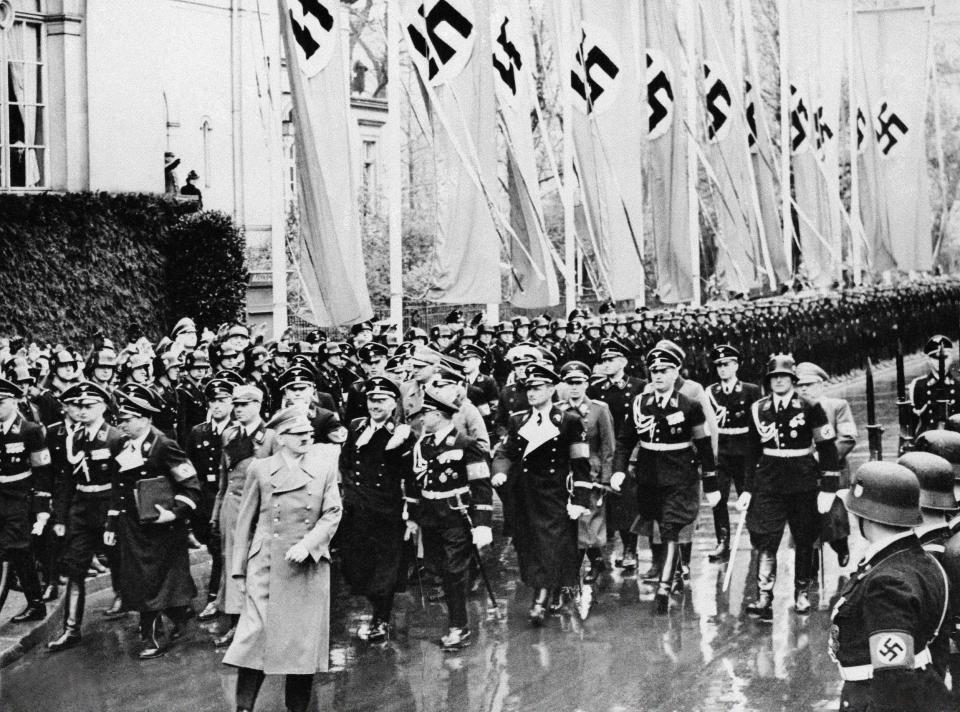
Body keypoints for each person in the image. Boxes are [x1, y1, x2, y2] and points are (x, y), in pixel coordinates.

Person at [223, 406, 343, 712]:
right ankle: (243, 707)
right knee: (254, 639)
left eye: (308, 433)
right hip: (265, 566)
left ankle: (297, 709)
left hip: (307, 567)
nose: (306, 438)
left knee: (300, 645)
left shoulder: (324, 467)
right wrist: (238, 573)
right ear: (282, 436)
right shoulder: (260, 469)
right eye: (298, 433)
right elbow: (244, 522)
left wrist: (309, 544)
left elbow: (332, 513)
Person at [830, 461, 952, 712]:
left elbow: (893, 681)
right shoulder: (922, 560)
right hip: (925, 690)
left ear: (867, 516)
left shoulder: (887, 582)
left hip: (874, 699)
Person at [610, 346, 719, 614]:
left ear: (675, 373)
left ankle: (664, 585)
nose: (658, 375)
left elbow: (704, 445)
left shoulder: (689, 405)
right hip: (648, 477)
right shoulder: (640, 403)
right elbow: (625, 441)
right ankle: (671, 572)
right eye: (654, 371)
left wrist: (712, 483)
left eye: (664, 371)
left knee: (670, 528)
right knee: (656, 524)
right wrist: (619, 468)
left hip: (680, 476)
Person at [739, 354, 840, 621]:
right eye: (774, 377)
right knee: (765, 538)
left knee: (804, 538)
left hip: (803, 482)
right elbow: (750, 452)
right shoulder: (758, 409)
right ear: (768, 381)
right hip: (769, 482)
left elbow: (827, 448)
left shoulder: (810, 407)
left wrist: (829, 487)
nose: (779, 380)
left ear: (793, 380)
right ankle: (763, 596)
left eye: (784, 376)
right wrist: (747, 489)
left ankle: (802, 593)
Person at [106, 384, 201, 659]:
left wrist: (174, 512)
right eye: (120, 419)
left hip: (162, 527)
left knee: (154, 582)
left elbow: (190, 485)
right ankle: (179, 614)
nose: (122, 424)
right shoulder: (120, 445)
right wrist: (112, 523)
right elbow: (118, 488)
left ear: (145, 419)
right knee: (141, 581)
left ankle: (152, 637)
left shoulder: (164, 446)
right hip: (133, 527)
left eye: (127, 419)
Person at [492, 363, 592, 624]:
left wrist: (580, 501)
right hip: (525, 495)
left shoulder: (569, 421)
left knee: (550, 545)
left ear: (550, 389)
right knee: (529, 546)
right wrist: (500, 470)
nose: (532, 393)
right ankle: (549, 589)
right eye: (529, 388)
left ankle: (541, 600)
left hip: (554, 494)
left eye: (537, 388)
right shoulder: (518, 420)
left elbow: (581, 464)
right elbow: (506, 451)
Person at [408, 388, 492, 649]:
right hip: (431, 518)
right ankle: (456, 619)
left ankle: (459, 627)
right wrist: (412, 516)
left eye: (426, 414)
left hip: (457, 516)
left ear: (438, 415)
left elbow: (481, 485)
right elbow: (415, 482)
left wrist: (483, 524)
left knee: (455, 571)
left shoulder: (466, 445)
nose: (422, 419)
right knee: (439, 570)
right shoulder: (424, 444)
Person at [338, 376, 417, 642]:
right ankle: (377, 606)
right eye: (372, 399)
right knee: (356, 567)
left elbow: (410, 474)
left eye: (382, 400)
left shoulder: (402, 433)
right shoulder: (357, 426)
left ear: (394, 403)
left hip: (387, 509)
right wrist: (349, 492)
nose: (375, 405)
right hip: (356, 509)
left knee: (385, 567)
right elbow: (346, 462)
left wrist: (409, 510)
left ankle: (381, 618)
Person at [47, 381, 123, 652]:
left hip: (107, 507)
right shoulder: (75, 438)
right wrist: (60, 517)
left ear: (102, 407)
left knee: (121, 558)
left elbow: (122, 481)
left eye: (88, 406)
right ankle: (71, 629)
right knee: (75, 567)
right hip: (81, 508)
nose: (81, 411)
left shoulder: (115, 437)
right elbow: (66, 480)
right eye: (78, 406)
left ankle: (137, 608)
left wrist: (115, 516)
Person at [210, 384, 278, 647]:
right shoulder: (229, 435)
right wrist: (216, 514)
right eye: (236, 405)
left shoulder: (271, 437)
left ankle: (261, 623)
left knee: (258, 566)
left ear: (258, 405)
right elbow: (223, 481)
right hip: (232, 508)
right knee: (232, 566)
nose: (238, 410)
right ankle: (237, 625)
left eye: (245, 404)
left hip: (259, 511)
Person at [588, 338, 645, 571]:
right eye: (604, 360)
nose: (606, 364)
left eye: (611, 360)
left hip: (629, 452)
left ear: (623, 361)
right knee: (603, 504)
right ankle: (602, 553)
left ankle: (631, 549)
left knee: (627, 503)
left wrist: (635, 455)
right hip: (603, 454)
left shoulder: (638, 386)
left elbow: (644, 422)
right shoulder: (595, 389)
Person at [796, 361, 858, 568]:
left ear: (820, 384)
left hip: (833, 471)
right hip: (803, 475)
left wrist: (820, 458)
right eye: (799, 385)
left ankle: (841, 546)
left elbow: (848, 437)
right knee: (805, 524)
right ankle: (808, 569)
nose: (804, 389)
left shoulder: (837, 406)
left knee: (834, 520)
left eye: (809, 384)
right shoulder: (794, 410)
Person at [0, 377, 52, 622]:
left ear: (13, 402)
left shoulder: (29, 430)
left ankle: (36, 603)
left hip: (20, 496)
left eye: (0, 402)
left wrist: (41, 508)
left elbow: (43, 473)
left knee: (19, 550)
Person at [558, 361, 614, 584]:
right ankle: (597, 561)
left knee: (588, 520)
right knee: (569, 521)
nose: (574, 388)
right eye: (570, 383)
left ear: (586, 384)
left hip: (591, 473)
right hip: (566, 474)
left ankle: (583, 567)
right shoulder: (559, 410)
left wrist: (605, 479)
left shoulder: (599, 409)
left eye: (578, 383)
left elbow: (608, 446)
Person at [705, 345, 761, 563]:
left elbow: (758, 423)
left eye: (726, 364)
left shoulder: (750, 390)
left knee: (748, 495)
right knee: (718, 498)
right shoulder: (711, 392)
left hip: (744, 450)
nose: (722, 369)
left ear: (736, 366)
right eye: (718, 365)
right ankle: (723, 542)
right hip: (721, 452)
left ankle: (757, 536)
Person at [185, 377, 234, 622]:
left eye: (223, 400)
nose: (217, 405)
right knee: (215, 549)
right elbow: (190, 468)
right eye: (213, 400)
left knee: (223, 550)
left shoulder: (238, 430)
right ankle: (219, 596)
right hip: (207, 500)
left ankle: (216, 598)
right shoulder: (198, 432)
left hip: (231, 498)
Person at [909, 335, 960, 434]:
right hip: (926, 441)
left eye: (945, 357)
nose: (941, 361)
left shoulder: (958, 386)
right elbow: (910, 426)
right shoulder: (918, 386)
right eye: (935, 358)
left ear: (951, 358)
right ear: (928, 359)